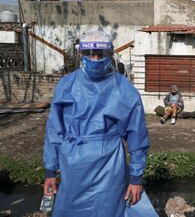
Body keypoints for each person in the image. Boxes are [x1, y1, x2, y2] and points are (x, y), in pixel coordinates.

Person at [43, 31, 158, 217]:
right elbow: (55, 131)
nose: (94, 59)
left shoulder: (125, 89)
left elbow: (137, 136)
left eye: (100, 54)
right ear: (80, 53)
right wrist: (50, 171)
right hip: (73, 164)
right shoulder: (66, 85)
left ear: (111, 55)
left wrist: (136, 178)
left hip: (109, 164)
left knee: (108, 209)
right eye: (88, 53)